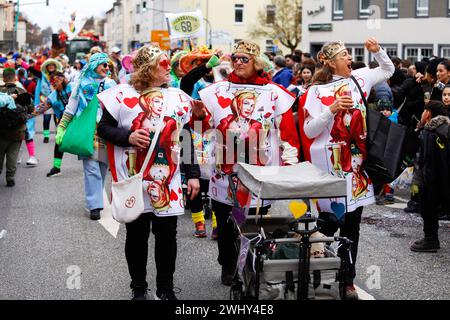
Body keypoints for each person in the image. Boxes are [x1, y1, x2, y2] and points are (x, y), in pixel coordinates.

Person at [192, 40, 300, 286]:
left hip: (260, 169)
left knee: (254, 219)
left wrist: (290, 162)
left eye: (244, 59)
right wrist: (198, 118)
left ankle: (250, 264)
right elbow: (202, 128)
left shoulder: (274, 93)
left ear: (257, 63)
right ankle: (227, 264)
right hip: (225, 169)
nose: (238, 63)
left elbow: (287, 132)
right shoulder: (218, 90)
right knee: (225, 218)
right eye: (235, 58)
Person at [97, 45, 201, 300]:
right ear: (146, 69)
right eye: (162, 63)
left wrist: (194, 173)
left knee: (167, 236)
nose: (168, 67)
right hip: (134, 178)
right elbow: (104, 129)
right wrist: (128, 136)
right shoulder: (120, 95)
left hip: (169, 179)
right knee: (137, 236)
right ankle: (139, 289)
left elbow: (185, 134)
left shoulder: (177, 97)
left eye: (168, 62)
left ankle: (165, 289)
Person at [300, 38, 395, 299]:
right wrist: (329, 110)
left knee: (352, 227)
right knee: (327, 224)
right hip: (327, 170)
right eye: (344, 55)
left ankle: (347, 279)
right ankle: (311, 269)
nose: (349, 58)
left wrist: (378, 52)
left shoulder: (359, 78)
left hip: (356, 168)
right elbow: (309, 130)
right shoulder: (315, 92)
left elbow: (388, 71)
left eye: (349, 54)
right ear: (330, 63)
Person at [55, 53, 116, 220]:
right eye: (103, 64)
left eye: (108, 65)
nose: (106, 68)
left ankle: (96, 197)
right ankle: (94, 205)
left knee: (102, 166)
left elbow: (119, 108)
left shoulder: (111, 84)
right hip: (86, 131)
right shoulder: (80, 84)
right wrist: (61, 128)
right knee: (91, 168)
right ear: (94, 64)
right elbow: (71, 107)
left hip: (105, 130)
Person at [410, 101, 450, 252]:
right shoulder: (445, 129)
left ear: (428, 114)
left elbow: (426, 161)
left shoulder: (429, 132)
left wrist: (428, 182)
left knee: (428, 209)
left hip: (430, 181)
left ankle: (430, 239)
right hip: (443, 178)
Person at [36, 71, 72, 177]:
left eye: (58, 79)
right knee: (58, 141)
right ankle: (56, 167)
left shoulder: (73, 87)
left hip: (79, 118)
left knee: (85, 140)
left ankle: (98, 163)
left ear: (63, 79)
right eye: (53, 81)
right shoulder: (53, 96)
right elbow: (41, 108)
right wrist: (25, 114)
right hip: (63, 121)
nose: (55, 82)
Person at [0, 74, 34, 187]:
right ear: (15, 78)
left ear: (4, 79)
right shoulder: (21, 90)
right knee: (13, 155)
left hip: (1, 130)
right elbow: (31, 109)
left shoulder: (1, 92)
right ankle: (10, 177)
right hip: (18, 132)